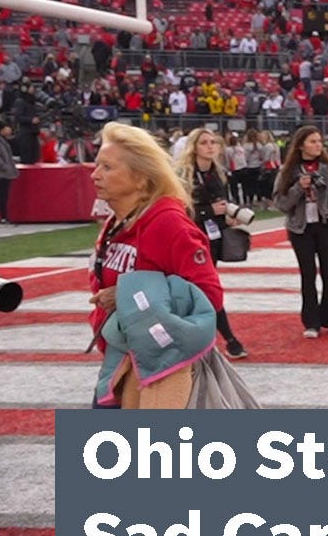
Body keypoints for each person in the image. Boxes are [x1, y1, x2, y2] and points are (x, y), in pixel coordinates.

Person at [87, 123, 226, 407]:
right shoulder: (117, 223)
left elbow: (210, 295)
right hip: (122, 361)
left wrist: (129, 297)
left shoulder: (168, 224)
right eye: (97, 165)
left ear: (140, 179)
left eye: (107, 168)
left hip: (161, 370)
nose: (95, 175)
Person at [272, 125, 328, 339]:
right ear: (301, 146)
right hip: (300, 229)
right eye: (312, 141)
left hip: (326, 225)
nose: (318, 145)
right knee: (307, 275)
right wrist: (299, 187)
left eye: (319, 141)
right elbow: (281, 203)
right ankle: (311, 322)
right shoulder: (288, 171)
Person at [175, 128, 249, 358]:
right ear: (194, 147)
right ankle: (228, 338)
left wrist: (228, 216)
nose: (210, 146)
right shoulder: (184, 175)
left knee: (205, 289)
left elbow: (221, 205)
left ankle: (214, 338)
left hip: (213, 238)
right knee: (203, 289)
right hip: (189, 238)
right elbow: (179, 211)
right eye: (204, 142)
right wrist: (208, 211)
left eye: (213, 142)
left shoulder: (218, 173)